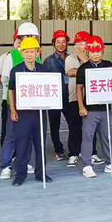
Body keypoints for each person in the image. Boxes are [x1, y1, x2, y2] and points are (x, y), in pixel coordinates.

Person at [76, 36, 112, 178]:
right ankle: (87, 165)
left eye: (98, 51)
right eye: (92, 52)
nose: (95, 54)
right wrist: (81, 106)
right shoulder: (83, 68)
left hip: (105, 109)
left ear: (102, 51)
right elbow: (79, 89)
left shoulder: (108, 65)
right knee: (88, 136)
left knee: (107, 136)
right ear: (88, 52)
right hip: (90, 110)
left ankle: (110, 163)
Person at [8, 37, 53, 186]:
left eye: (32, 52)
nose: (29, 55)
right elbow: (11, 91)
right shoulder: (16, 70)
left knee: (40, 144)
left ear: (37, 53)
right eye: (26, 52)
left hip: (39, 113)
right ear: (22, 53)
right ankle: (20, 175)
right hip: (23, 113)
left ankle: (41, 173)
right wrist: (13, 109)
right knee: (22, 144)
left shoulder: (43, 70)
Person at [0, 23, 40, 179]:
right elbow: (6, 79)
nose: (29, 38)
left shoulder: (36, 55)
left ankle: (23, 161)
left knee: (27, 134)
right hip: (14, 103)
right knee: (11, 135)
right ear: (20, 38)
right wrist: (13, 104)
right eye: (26, 36)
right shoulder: (12, 56)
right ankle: (6, 165)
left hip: (31, 103)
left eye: (32, 36)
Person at [65, 31, 101, 168]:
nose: (79, 46)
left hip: (91, 97)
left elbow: (95, 73)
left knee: (91, 128)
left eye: (83, 43)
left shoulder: (94, 57)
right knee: (74, 126)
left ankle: (92, 153)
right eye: (77, 44)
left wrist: (84, 60)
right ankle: (73, 154)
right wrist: (85, 67)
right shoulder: (70, 58)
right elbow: (70, 72)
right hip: (74, 97)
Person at [43, 30, 70, 161]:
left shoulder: (72, 58)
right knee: (55, 125)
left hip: (70, 97)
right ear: (53, 43)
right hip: (54, 98)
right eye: (58, 42)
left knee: (74, 124)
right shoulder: (48, 61)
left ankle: (74, 148)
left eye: (63, 42)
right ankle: (58, 150)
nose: (61, 44)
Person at [0, 31, 20, 166]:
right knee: (7, 130)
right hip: (8, 99)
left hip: (25, 100)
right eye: (18, 41)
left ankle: (19, 156)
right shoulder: (5, 57)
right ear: (13, 41)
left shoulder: (33, 56)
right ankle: (5, 157)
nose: (20, 43)